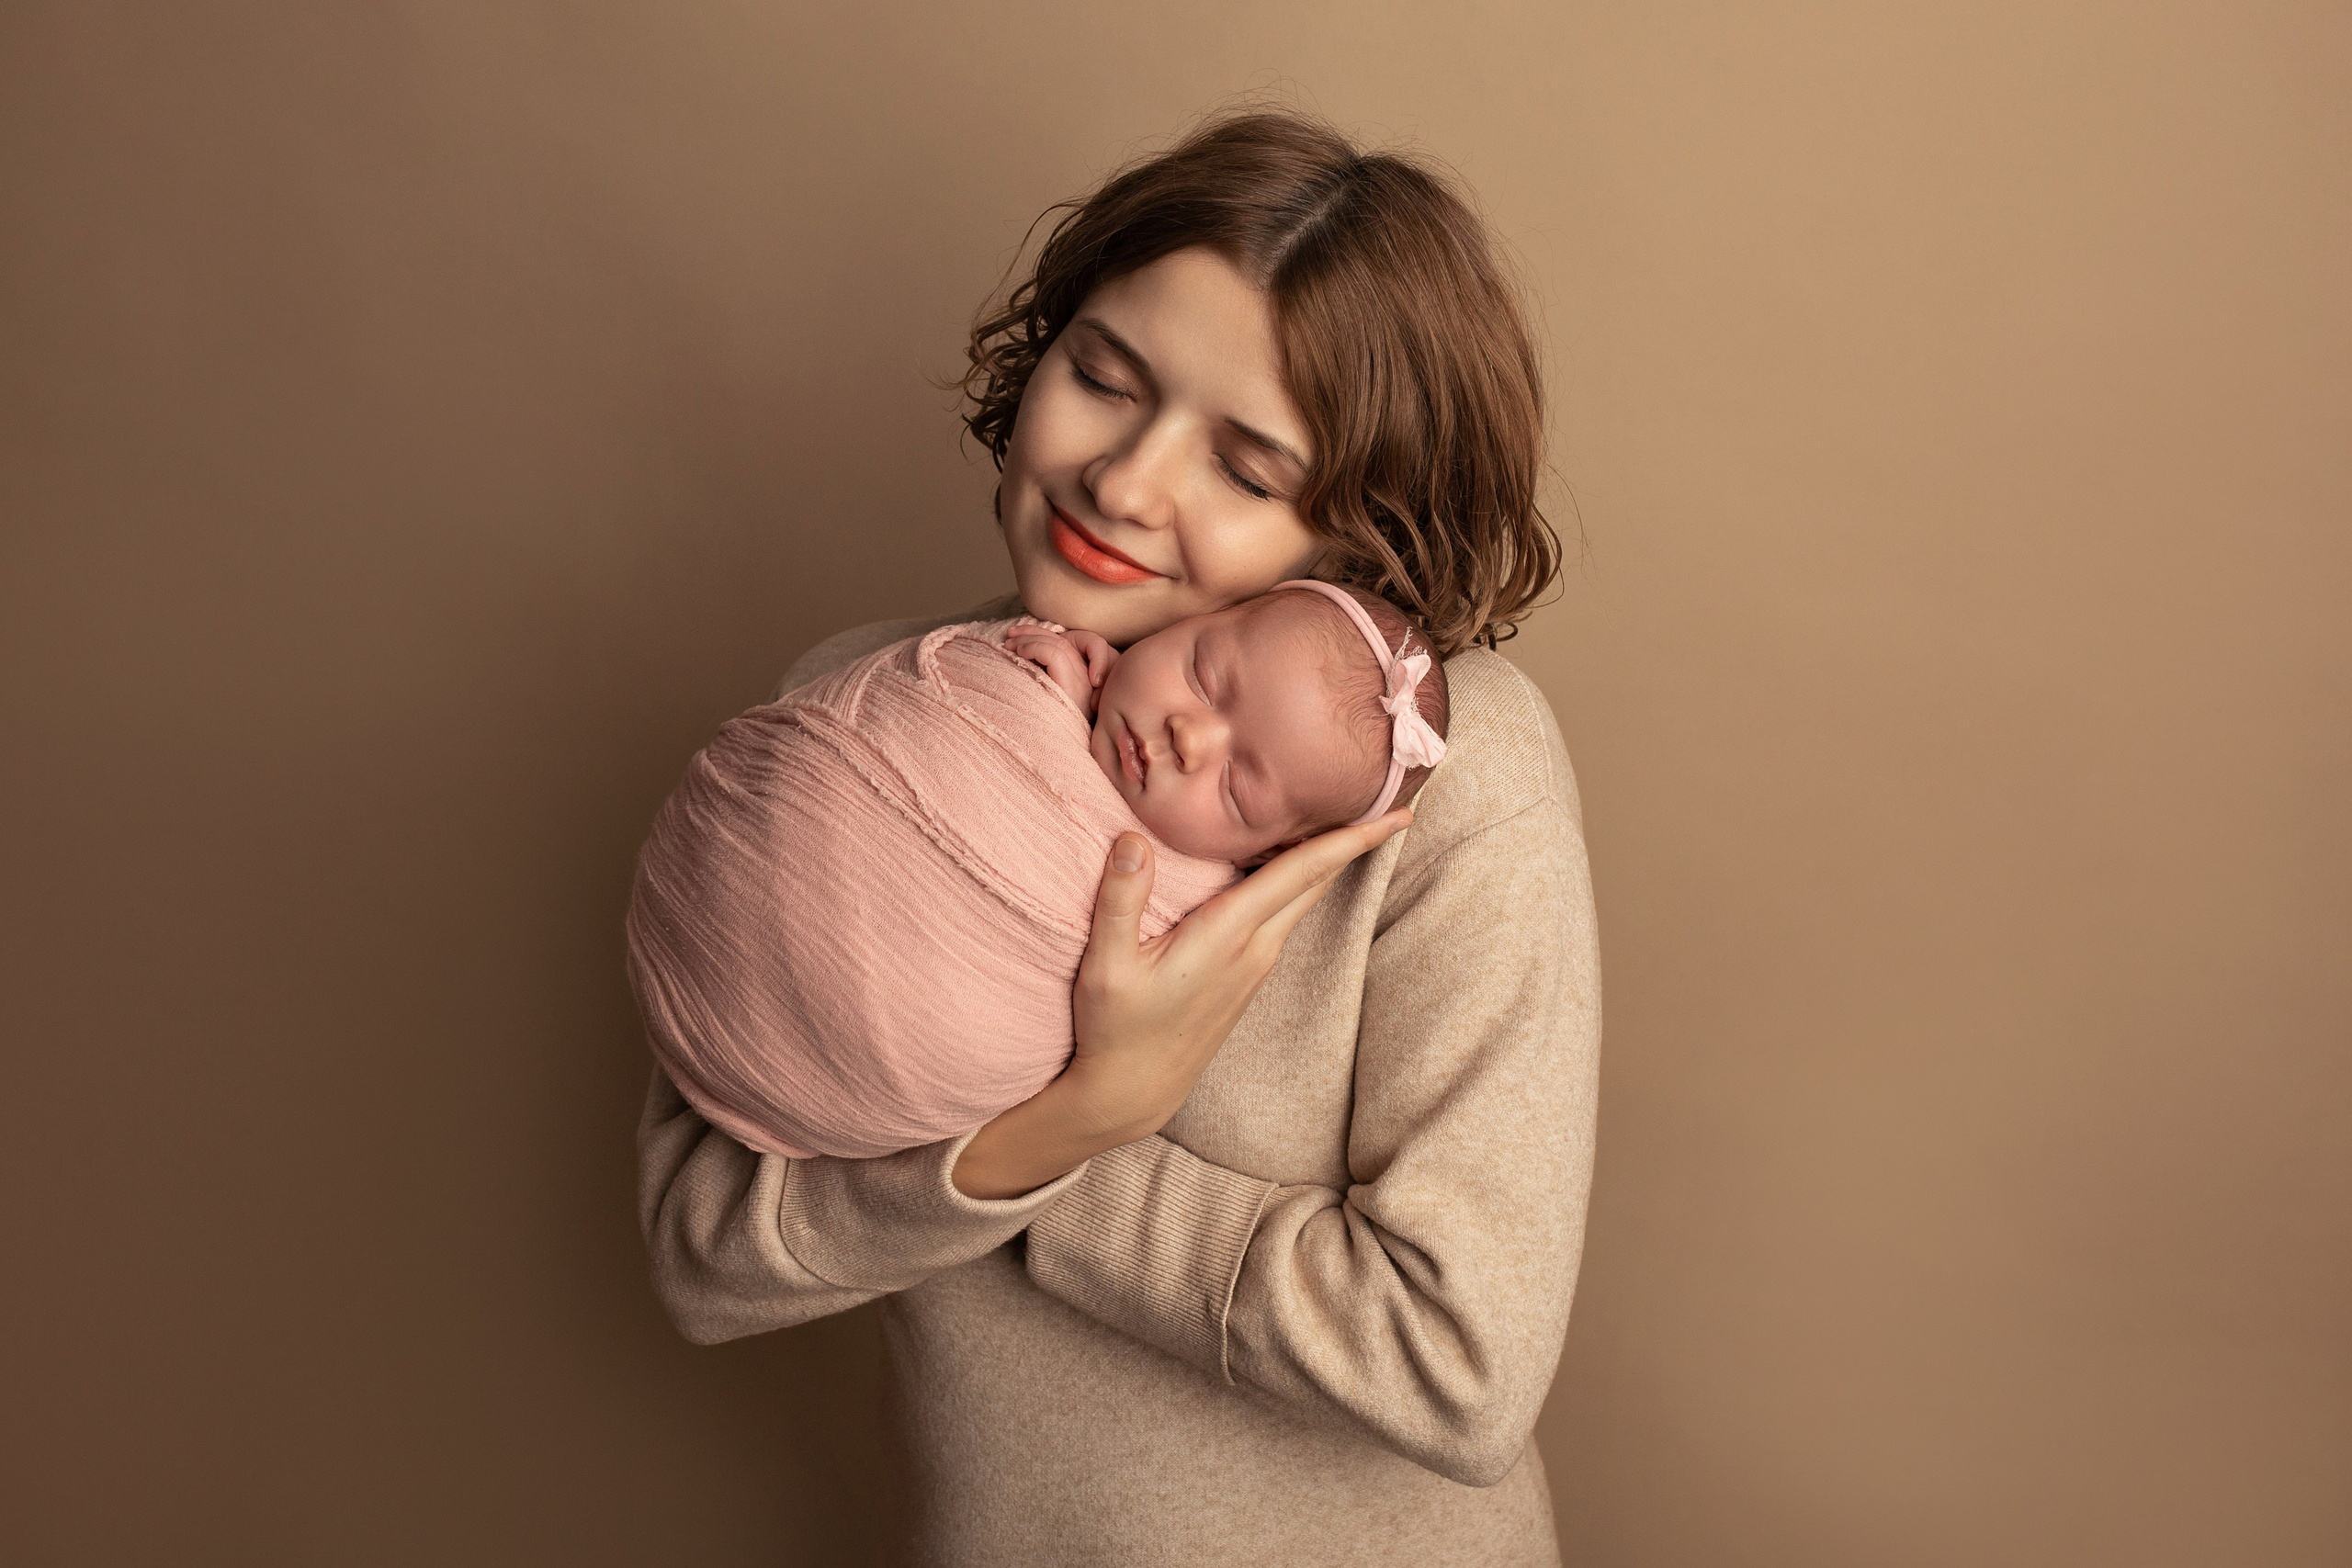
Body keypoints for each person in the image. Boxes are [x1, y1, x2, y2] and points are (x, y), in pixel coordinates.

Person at [637, 108, 1601, 1566]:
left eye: (1250, 470)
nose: (1128, 483)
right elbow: (702, 1249)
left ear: (1353, 533)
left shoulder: (1448, 780)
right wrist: (1071, 1115)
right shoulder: (862, 712)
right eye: (1104, 377)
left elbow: (1456, 1361)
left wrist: (1074, 1162)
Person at [627, 583, 1451, 1165]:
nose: (1189, 735)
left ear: (1274, 857)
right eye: (1203, 672)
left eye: (1237, 786)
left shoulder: (1206, 903)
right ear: (1200, 617)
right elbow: (694, 1246)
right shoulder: (968, 662)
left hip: (865, 1058)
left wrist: (1079, 1126)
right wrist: (1054, 702)